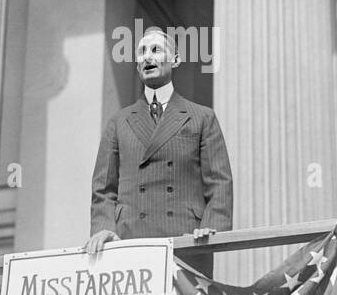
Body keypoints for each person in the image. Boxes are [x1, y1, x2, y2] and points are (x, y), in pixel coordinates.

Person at [85, 26, 233, 275]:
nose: (147, 57)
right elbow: (103, 188)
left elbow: (219, 182)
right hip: (130, 243)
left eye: (156, 50)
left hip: (187, 241)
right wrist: (103, 227)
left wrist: (212, 227)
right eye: (141, 52)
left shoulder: (201, 117)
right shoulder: (119, 122)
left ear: (175, 59)